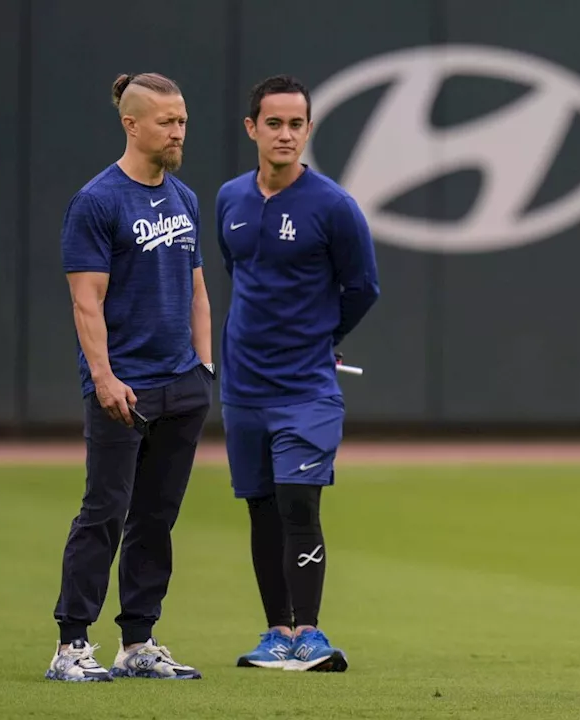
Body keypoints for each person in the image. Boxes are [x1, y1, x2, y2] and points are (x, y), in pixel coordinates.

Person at [50, 72, 212, 682]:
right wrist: (105, 377)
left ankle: (138, 643)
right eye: (168, 121)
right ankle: (71, 646)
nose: (178, 132)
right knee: (105, 512)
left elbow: (197, 287)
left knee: (156, 519)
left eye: (183, 121)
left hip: (181, 385)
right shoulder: (97, 201)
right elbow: (85, 302)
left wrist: (204, 367)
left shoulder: (185, 198)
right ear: (132, 124)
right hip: (124, 389)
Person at [215, 74, 380, 673]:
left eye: (296, 124)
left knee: (297, 503)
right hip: (243, 389)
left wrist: (322, 339)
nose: (285, 134)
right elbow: (240, 273)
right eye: (274, 123)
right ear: (252, 128)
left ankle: (309, 634)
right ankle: (274, 634)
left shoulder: (334, 207)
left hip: (306, 389)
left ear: (308, 130)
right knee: (260, 505)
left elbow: (363, 288)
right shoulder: (229, 199)